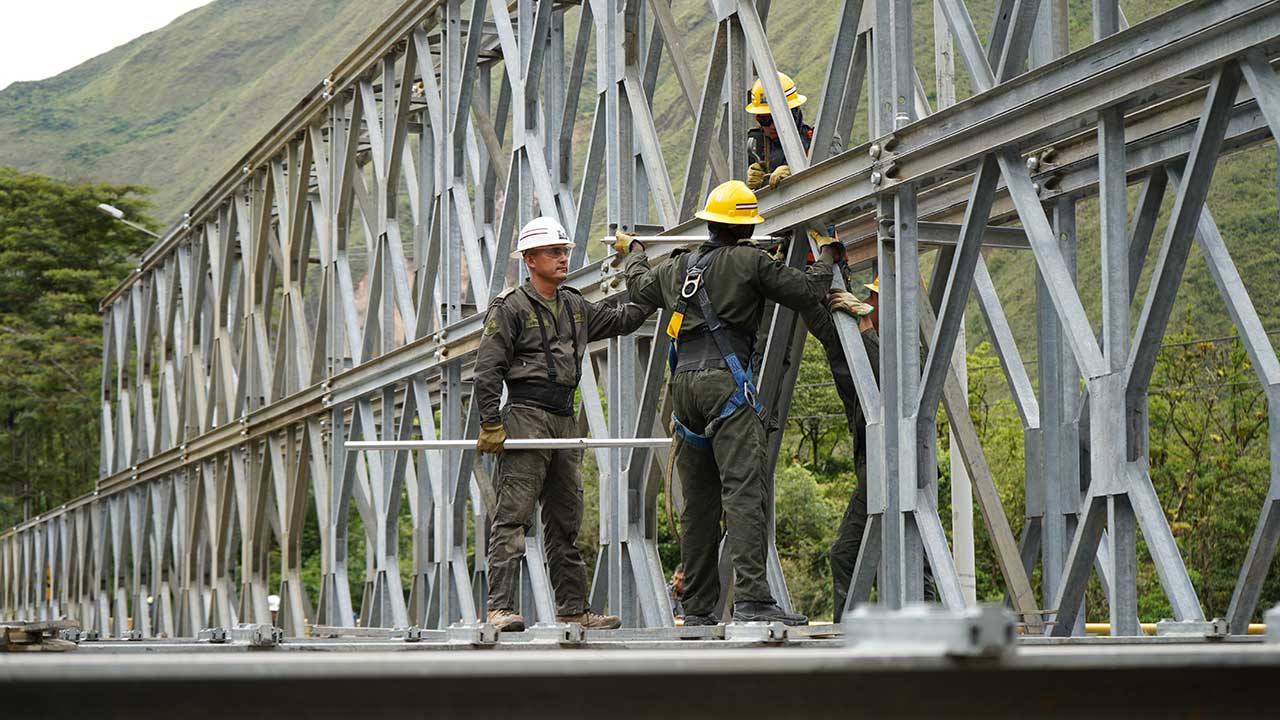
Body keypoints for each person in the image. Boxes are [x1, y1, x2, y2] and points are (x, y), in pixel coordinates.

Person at [615, 180, 844, 626]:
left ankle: (698, 608)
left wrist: (636, 250)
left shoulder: (677, 267)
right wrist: (830, 256)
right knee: (743, 490)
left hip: (683, 390)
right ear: (746, 229)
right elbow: (806, 289)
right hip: (726, 384)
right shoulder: (751, 261)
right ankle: (754, 600)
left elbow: (639, 286)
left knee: (698, 503)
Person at [474, 216, 657, 632]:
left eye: (563, 252)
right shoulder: (511, 308)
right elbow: (488, 369)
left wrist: (642, 268)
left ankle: (573, 608)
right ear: (530, 259)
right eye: (554, 252)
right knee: (513, 517)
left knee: (565, 519)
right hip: (525, 417)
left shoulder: (575, 305)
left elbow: (624, 319)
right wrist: (490, 422)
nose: (562, 258)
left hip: (563, 419)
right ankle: (500, 608)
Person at [814, 276, 937, 618]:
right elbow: (840, 357)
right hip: (882, 465)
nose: (868, 301)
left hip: (900, 465)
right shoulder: (879, 344)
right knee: (906, 557)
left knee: (853, 553)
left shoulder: (913, 353)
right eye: (867, 296)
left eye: (874, 297)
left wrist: (865, 331)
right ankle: (912, 630)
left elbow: (892, 388)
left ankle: (859, 635)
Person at [744, 72, 841, 191]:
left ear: (794, 113)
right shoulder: (753, 144)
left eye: (779, 118)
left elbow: (835, 178)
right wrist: (746, 182)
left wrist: (796, 171)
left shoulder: (818, 140)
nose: (773, 126)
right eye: (765, 120)